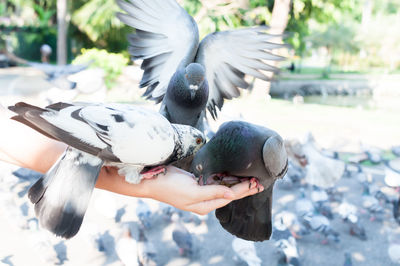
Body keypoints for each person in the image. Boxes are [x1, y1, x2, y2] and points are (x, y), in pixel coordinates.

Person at [0, 103, 264, 215]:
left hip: (88, 130)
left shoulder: (160, 131)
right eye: (197, 143)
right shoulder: (163, 145)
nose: (198, 149)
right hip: (89, 141)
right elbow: (104, 151)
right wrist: (149, 183)